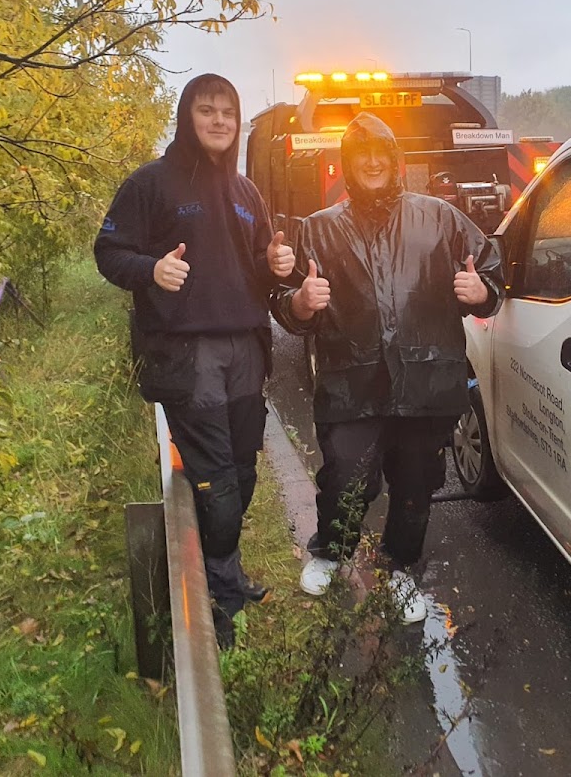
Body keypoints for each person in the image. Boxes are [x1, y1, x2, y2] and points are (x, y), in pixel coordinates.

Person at [270, 112, 503, 623]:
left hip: (424, 382)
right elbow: (286, 301)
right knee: (347, 476)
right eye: (361, 155)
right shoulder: (319, 229)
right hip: (351, 382)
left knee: (417, 480)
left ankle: (400, 567)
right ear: (348, 165)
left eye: (381, 153)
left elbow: (489, 269)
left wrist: (481, 291)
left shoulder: (439, 218)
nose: (372, 163)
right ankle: (329, 551)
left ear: (395, 161)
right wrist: (303, 302)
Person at [94, 73, 295, 647]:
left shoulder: (245, 190)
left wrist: (276, 264)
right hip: (188, 354)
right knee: (216, 480)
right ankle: (217, 601)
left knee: (244, 471)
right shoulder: (151, 184)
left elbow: (259, 263)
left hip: (245, 352)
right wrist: (151, 270)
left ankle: (224, 569)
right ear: (188, 117)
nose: (218, 121)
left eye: (228, 112)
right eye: (206, 111)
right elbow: (108, 251)